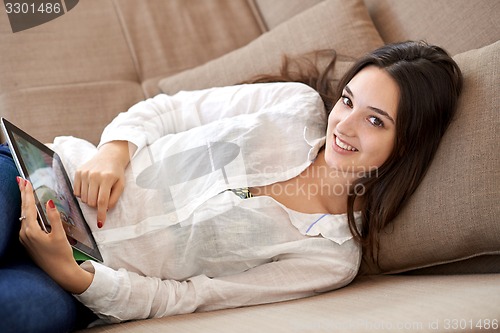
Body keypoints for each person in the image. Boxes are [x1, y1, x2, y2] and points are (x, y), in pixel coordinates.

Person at [2, 41, 462, 330]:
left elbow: (195, 297)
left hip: (76, 282)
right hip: (44, 178)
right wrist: (114, 150)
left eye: (375, 120)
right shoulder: (292, 105)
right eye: (347, 100)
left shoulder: (330, 256)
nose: (345, 124)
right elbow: (168, 112)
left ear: (406, 145)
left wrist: (73, 275)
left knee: (17, 313)